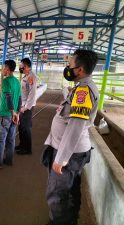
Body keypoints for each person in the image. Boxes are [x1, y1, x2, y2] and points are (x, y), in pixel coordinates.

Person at [41, 49, 99, 225]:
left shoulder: (83, 91)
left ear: (79, 70)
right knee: (70, 191)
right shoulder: (81, 88)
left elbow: (76, 126)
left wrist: (61, 158)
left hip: (69, 153)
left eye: (70, 65)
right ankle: (70, 220)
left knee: (57, 194)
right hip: (72, 151)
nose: (67, 68)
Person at [0, 59, 22, 169]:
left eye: (3, 67)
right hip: (14, 115)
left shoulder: (6, 81)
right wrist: (17, 113)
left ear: (7, 69)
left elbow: (8, 96)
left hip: (4, 115)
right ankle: (9, 160)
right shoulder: (17, 82)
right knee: (11, 139)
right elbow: (20, 99)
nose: (2, 69)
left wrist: (12, 112)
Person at [16, 58, 37, 155]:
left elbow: (32, 94)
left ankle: (27, 149)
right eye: (20, 66)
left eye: (22, 66)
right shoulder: (26, 76)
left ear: (27, 66)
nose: (20, 67)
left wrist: (26, 107)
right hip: (22, 105)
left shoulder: (31, 77)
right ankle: (21, 145)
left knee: (26, 127)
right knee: (21, 127)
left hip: (26, 107)